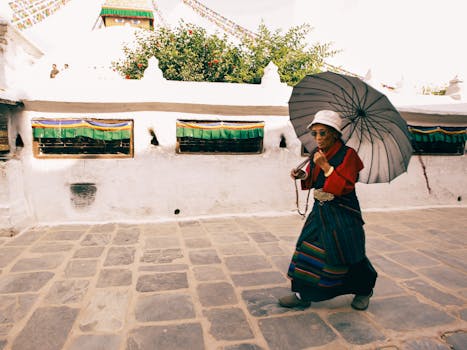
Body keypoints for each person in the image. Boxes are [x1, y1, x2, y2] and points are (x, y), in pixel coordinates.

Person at [279, 110, 377, 310]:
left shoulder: (348, 155)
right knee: (306, 247)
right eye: (314, 134)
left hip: (343, 213)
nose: (317, 138)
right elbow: (317, 181)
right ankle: (302, 294)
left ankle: (364, 289)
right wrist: (303, 176)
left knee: (349, 252)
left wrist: (325, 166)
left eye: (322, 133)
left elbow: (345, 186)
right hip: (320, 211)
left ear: (334, 133)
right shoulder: (317, 153)